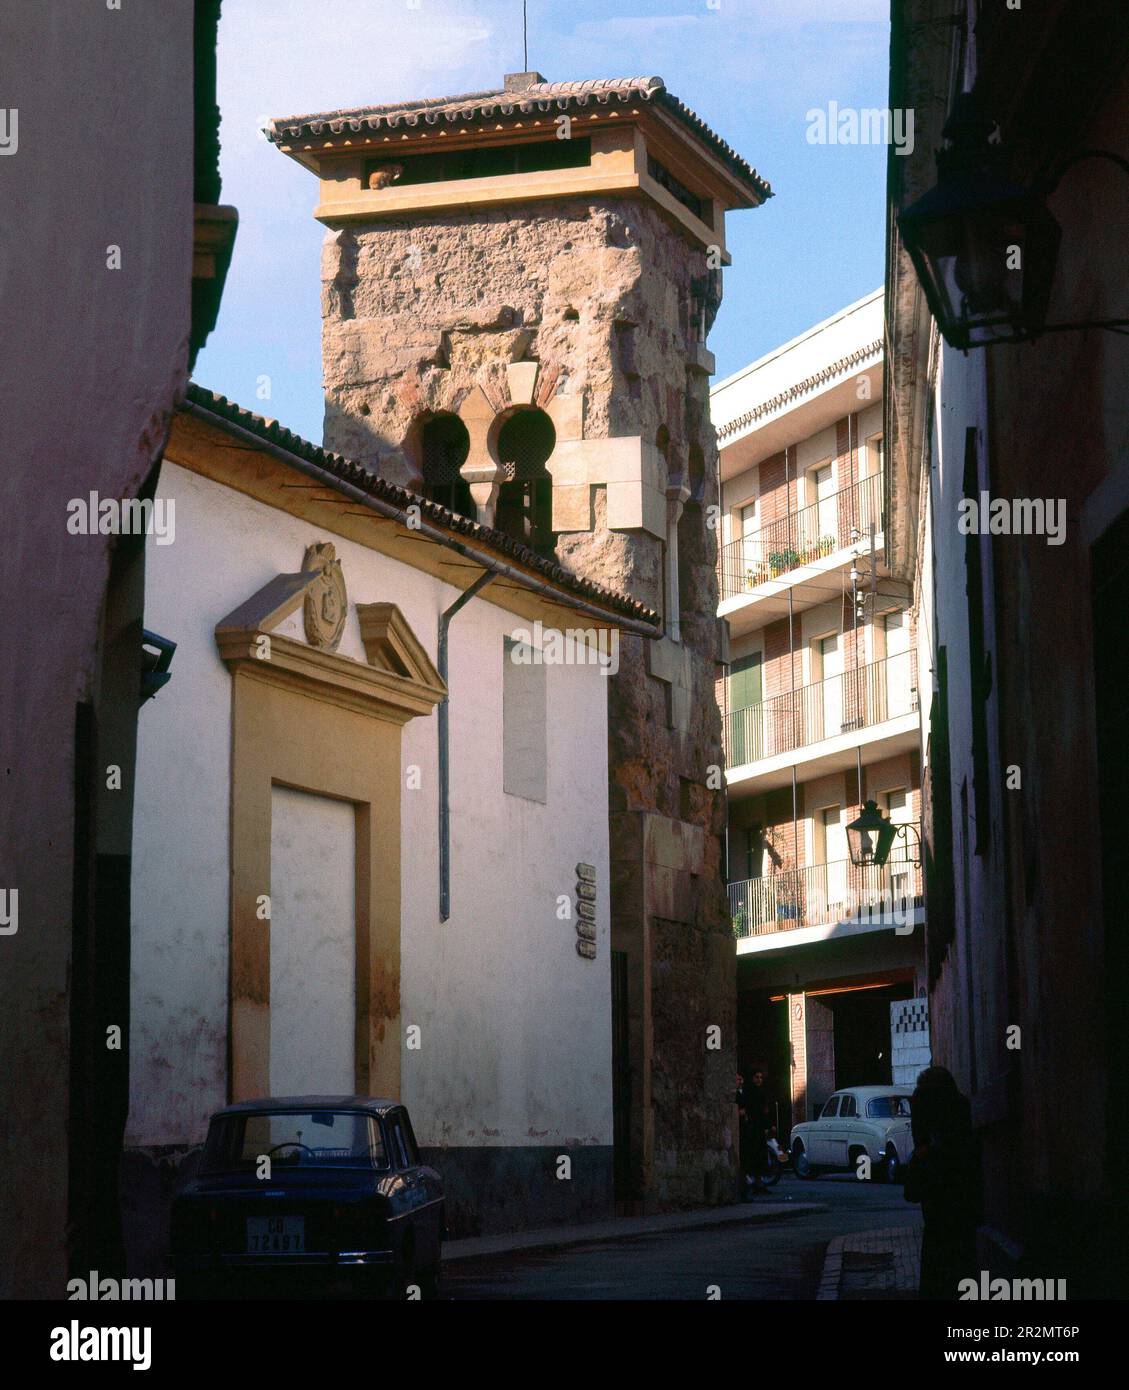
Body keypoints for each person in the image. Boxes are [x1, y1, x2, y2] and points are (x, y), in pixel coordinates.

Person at [903, 1065, 981, 1299]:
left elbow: (912, 1192)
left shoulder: (929, 1139)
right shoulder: (962, 1120)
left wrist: (920, 1157)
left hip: (938, 1223)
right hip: (964, 1222)